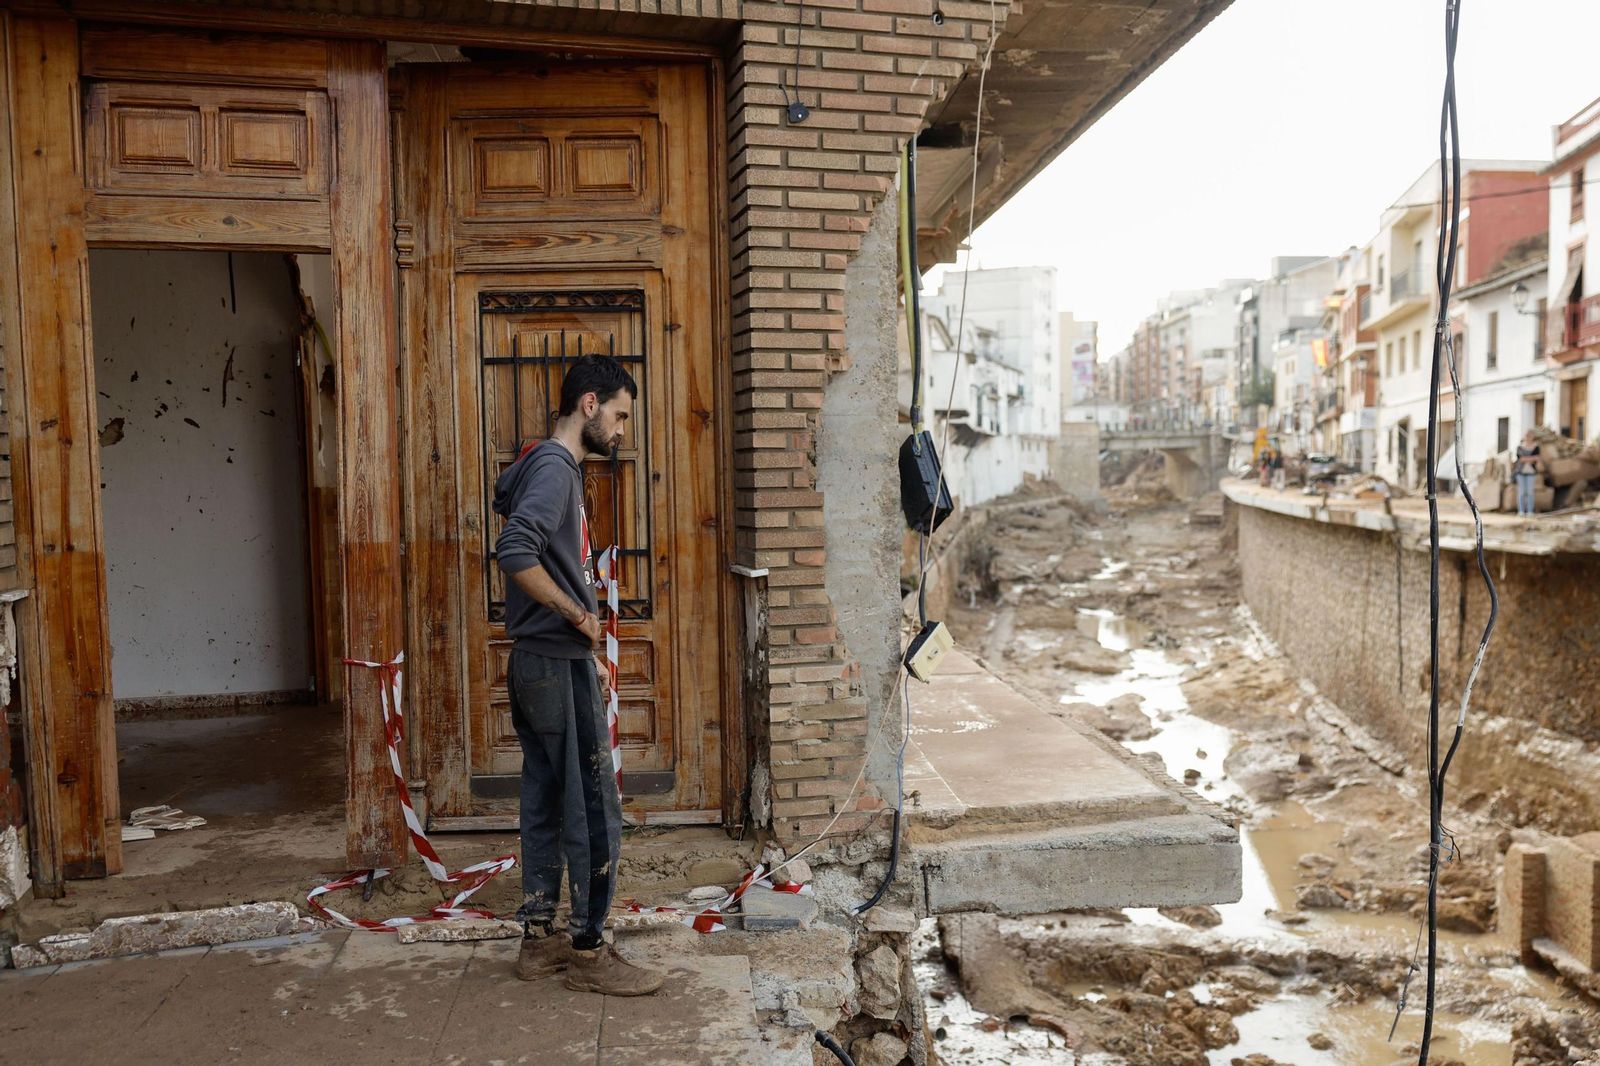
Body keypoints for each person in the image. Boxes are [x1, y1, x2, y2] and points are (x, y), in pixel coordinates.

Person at [491, 355, 662, 996]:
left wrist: (570, 615)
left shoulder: (541, 464)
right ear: (588, 404)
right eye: (619, 415)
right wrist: (578, 618)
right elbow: (514, 552)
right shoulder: (558, 470)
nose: (621, 431)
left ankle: (539, 943)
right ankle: (590, 951)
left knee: (543, 798)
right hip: (553, 661)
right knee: (594, 808)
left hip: (536, 660)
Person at [1513, 431, 1543, 517]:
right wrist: (1532, 458)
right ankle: (1521, 511)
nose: (1528, 437)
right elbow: (1521, 459)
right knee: (1522, 492)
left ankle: (1530, 511)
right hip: (1520, 472)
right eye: (1527, 436)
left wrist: (1527, 458)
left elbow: (1537, 458)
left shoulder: (1536, 447)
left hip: (1531, 472)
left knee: (1530, 492)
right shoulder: (1520, 447)